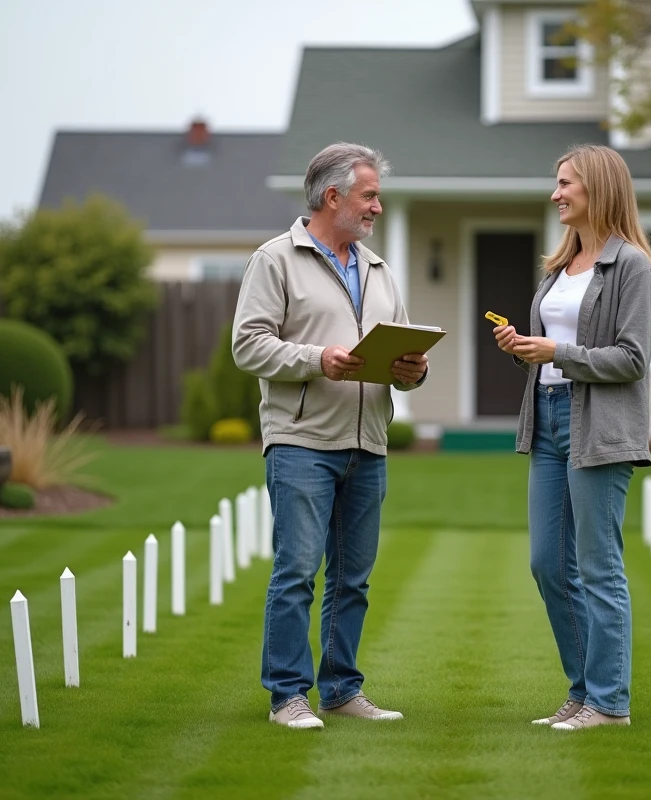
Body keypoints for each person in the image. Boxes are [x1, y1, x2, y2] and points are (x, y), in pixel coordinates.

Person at [233, 142, 428, 730]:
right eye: (369, 196)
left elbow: (401, 348)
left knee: (353, 579)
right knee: (296, 572)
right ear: (333, 196)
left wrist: (413, 370)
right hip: (301, 442)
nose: (377, 207)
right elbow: (248, 345)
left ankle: (341, 690)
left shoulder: (379, 269)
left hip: (368, 443)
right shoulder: (274, 260)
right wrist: (318, 359)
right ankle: (287, 697)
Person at [495, 144, 651, 731]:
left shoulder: (632, 267)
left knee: (598, 567)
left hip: (600, 428)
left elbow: (632, 359)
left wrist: (557, 352)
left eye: (566, 183)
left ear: (599, 188)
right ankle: (583, 691)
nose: (555, 194)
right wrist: (525, 349)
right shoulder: (558, 267)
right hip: (546, 420)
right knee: (547, 563)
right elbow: (555, 352)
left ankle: (609, 704)